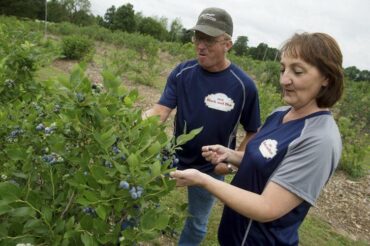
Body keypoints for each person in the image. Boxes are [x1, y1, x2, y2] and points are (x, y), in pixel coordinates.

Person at [170, 32, 344, 245]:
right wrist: (231, 155)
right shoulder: (280, 114)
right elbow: (267, 162)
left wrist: (203, 179)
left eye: (297, 72)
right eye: (283, 69)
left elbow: (267, 207)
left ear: (326, 78)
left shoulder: (319, 140)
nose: (284, 79)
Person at [143, 7, 261, 246]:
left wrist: (229, 164)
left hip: (210, 169)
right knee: (141, 200)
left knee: (197, 223)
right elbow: (160, 111)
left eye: (209, 39)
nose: (201, 45)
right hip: (173, 157)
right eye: (198, 37)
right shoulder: (182, 72)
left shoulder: (244, 86)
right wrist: (129, 126)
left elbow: (253, 132)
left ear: (228, 43)